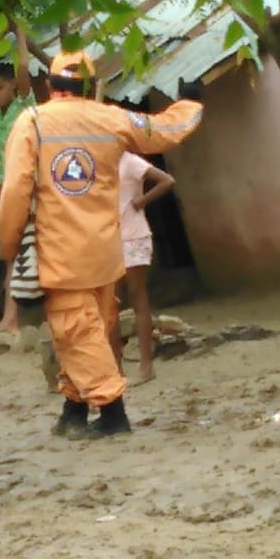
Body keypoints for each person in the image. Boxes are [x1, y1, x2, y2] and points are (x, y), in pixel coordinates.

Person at [0, 51, 203, 439]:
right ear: (90, 86)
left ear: (50, 85)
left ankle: (112, 414)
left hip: (61, 253)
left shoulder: (33, 122)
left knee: (77, 332)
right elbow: (163, 130)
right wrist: (191, 102)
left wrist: (8, 247)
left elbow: (15, 192)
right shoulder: (111, 118)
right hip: (107, 251)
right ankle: (74, 409)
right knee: (92, 328)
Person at [0, 22, 36, 335]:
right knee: (10, 252)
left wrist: (20, 36)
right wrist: (0, 35)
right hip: (8, 191)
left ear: (13, 86)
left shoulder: (23, 104)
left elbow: (25, 66)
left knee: (21, 251)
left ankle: (12, 319)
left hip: (27, 190)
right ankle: (10, 319)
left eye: (0, 87)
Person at [112, 152, 176, 385]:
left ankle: (146, 366)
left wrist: (141, 201)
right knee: (111, 303)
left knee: (137, 296)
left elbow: (167, 180)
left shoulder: (129, 161)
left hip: (133, 236)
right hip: (107, 239)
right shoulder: (96, 162)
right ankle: (116, 369)